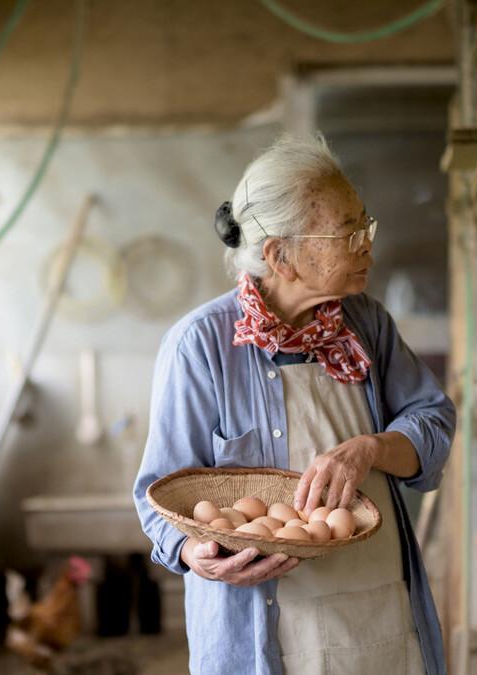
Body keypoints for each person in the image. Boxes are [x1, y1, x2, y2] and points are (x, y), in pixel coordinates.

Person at [132, 135, 456, 674]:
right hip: (264, 631)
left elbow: (433, 423)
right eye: (346, 234)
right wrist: (197, 557)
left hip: (379, 612)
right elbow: (157, 494)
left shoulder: (366, 323)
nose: (367, 247)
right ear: (280, 256)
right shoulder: (201, 345)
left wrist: (369, 449)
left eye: (364, 227)